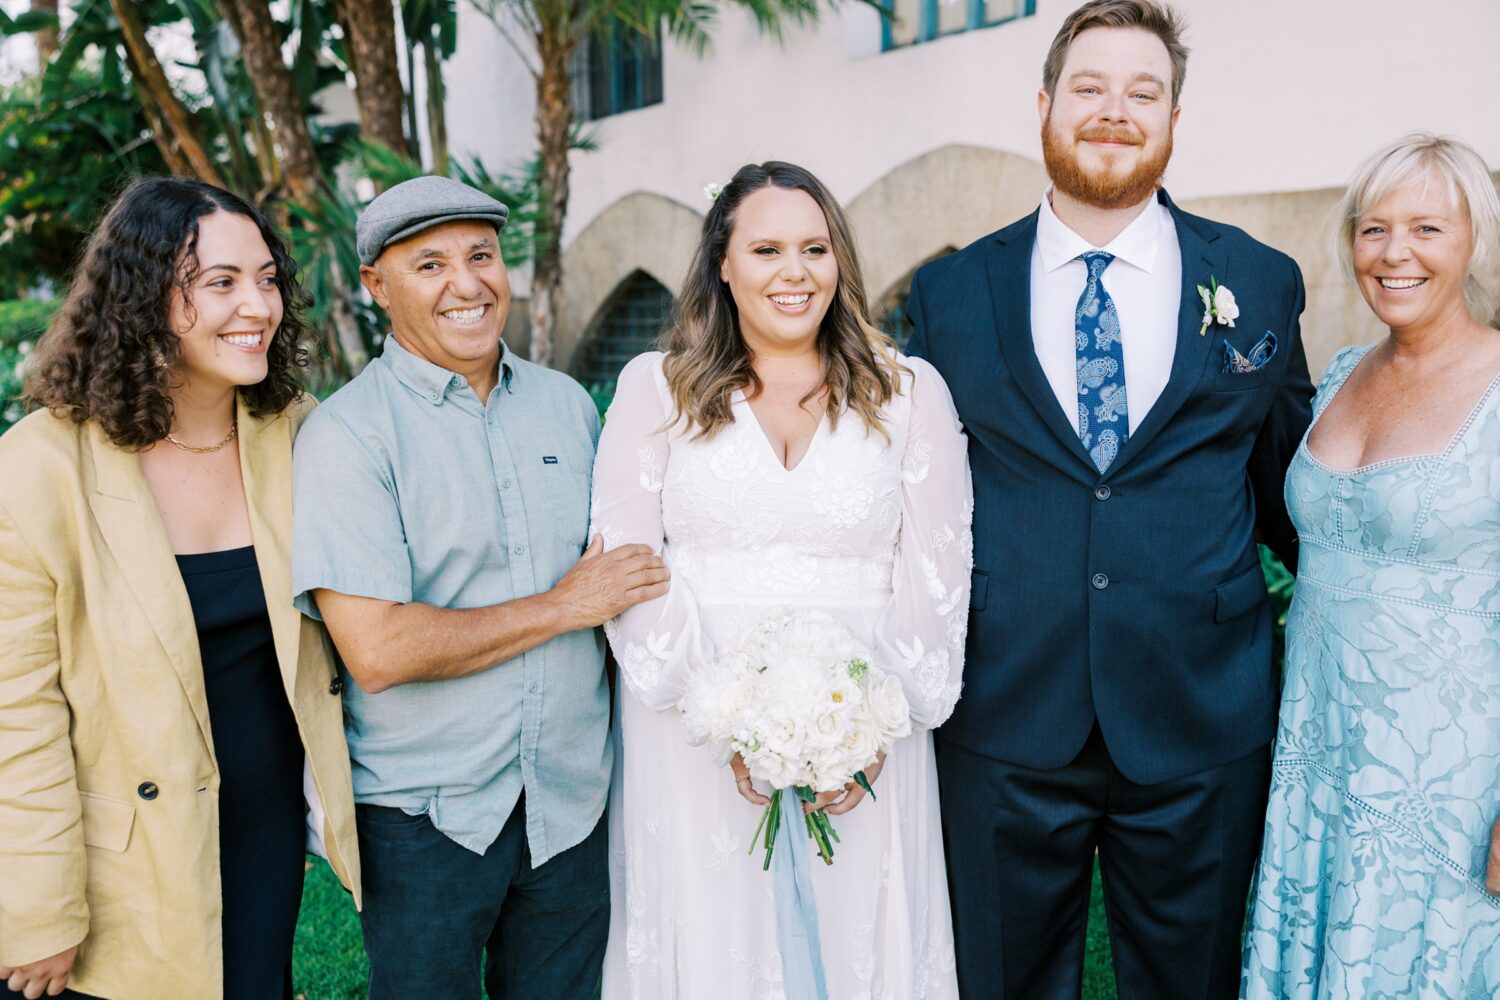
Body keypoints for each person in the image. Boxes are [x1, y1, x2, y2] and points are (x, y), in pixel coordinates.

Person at [905, 1, 1317, 994]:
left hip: (1199, 713)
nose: (1114, 111)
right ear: (1045, 105)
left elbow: (1298, 501)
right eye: (1089, 87)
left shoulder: (1258, 284)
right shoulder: (952, 294)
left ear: (1176, 117)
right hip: (1003, 710)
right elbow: (912, 498)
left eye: (1144, 91)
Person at [593, 160, 972, 1000]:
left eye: (815, 247)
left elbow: (938, 580)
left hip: (868, 738)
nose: (794, 272)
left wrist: (872, 728)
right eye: (765, 249)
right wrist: (734, 720)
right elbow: (625, 566)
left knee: (855, 937)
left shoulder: (909, 394)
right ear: (722, 264)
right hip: (690, 734)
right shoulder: (653, 389)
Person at [290, 175, 668, 1000]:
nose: (467, 284)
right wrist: (563, 606)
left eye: (481, 256)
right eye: (429, 265)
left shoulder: (569, 407)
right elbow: (379, 650)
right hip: (429, 819)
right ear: (376, 288)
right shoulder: (347, 437)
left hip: (571, 800)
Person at [0, 177, 360, 1000]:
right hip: (118, 854)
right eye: (221, 282)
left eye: (267, 279)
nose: (258, 306)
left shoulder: (299, 433)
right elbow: (15, 713)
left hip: (258, 833)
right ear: (143, 296)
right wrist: (38, 909)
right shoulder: (38, 467)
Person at [1240, 133, 1500, 997]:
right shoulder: (1344, 374)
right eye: (1373, 228)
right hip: (1320, 758)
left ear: (1474, 239)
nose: (1395, 254)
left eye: (1428, 228)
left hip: (1450, 786)